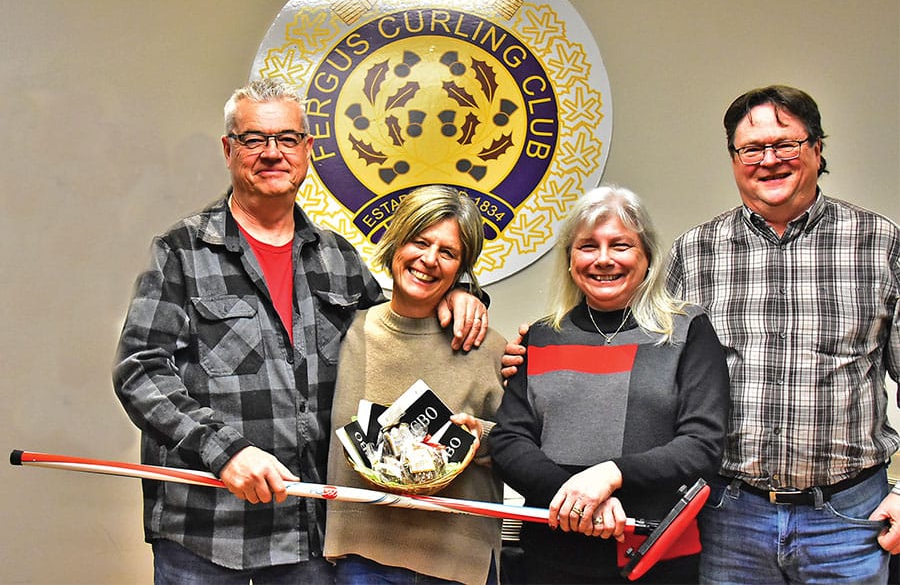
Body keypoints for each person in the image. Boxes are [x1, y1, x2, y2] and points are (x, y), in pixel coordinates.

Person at [113, 79, 488, 583]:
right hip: (205, 532)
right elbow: (139, 370)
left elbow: (401, 321)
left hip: (306, 533)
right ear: (228, 149)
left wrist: (459, 291)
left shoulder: (337, 258)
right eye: (254, 139)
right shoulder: (181, 251)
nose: (273, 153)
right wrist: (224, 451)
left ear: (307, 149)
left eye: (287, 139)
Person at [665, 84, 900, 584]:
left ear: (817, 148)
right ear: (734, 159)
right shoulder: (695, 252)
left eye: (785, 144)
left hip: (849, 519)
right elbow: (652, 378)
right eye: (752, 149)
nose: (769, 160)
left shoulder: (879, 243)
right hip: (728, 516)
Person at [492, 185, 729, 584]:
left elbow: (701, 445)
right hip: (551, 557)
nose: (603, 259)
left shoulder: (688, 331)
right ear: (570, 260)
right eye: (588, 246)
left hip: (655, 557)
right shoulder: (540, 337)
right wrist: (577, 497)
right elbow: (508, 441)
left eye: (620, 245)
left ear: (647, 256)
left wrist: (610, 475)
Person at [324, 184, 506, 584]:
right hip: (360, 557)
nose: (429, 260)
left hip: (455, 562)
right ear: (396, 243)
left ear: (461, 268)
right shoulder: (345, 333)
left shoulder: (488, 347)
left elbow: (522, 443)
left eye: (448, 252)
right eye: (419, 242)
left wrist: (480, 438)